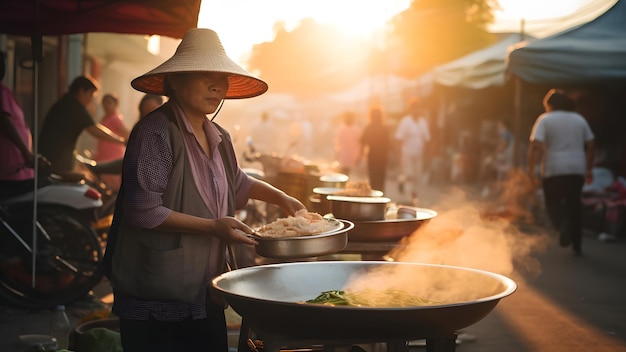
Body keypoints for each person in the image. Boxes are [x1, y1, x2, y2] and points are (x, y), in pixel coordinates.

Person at [104, 28, 306, 352]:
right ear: (176, 81)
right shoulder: (156, 132)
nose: (217, 86)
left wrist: (281, 197)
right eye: (205, 76)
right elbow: (142, 210)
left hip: (205, 290)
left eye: (222, 78)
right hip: (155, 295)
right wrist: (213, 227)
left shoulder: (219, 136)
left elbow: (238, 181)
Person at [528, 89, 595, 257]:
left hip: (554, 168)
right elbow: (591, 145)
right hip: (576, 168)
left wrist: (531, 171)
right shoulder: (579, 120)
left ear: (550, 105)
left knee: (552, 204)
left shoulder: (545, 119)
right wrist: (588, 169)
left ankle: (563, 225)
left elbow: (535, 146)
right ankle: (577, 245)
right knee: (574, 204)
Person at [38, 75, 126, 174]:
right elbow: (95, 130)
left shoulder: (65, 103)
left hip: (49, 157)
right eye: (90, 94)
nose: (91, 99)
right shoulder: (75, 107)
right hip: (55, 159)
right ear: (81, 91)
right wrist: (121, 141)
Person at [0, 52, 50, 198]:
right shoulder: (1, 92)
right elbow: (6, 122)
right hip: (9, 170)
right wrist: (27, 154)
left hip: (17, 168)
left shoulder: (4, 91)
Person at [395, 98, 430, 204]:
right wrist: (399, 153)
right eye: (415, 109)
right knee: (409, 175)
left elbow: (427, 138)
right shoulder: (405, 121)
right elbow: (398, 138)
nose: (417, 111)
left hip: (419, 153)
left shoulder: (423, 122)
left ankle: (408, 188)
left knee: (416, 175)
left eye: (418, 109)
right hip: (407, 153)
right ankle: (410, 197)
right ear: (411, 110)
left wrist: (428, 154)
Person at [94, 93, 130, 190]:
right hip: (104, 155)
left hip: (113, 156)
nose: (106, 105)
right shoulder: (105, 118)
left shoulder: (115, 119)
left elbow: (128, 133)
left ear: (115, 105)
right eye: (104, 103)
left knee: (112, 185)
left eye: (109, 103)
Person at [360, 106, 390, 192]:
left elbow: (362, 142)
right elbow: (388, 144)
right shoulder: (385, 128)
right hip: (382, 157)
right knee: (381, 179)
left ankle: (374, 197)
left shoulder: (369, 127)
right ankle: (380, 196)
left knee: (373, 179)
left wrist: (361, 156)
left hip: (372, 156)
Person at [334, 111, 361, 176]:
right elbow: (359, 145)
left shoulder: (341, 129)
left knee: (342, 174)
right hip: (352, 156)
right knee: (347, 174)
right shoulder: (356, 130)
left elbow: (337, 144)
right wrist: (358, 156)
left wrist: (336, 155)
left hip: (343, 156)